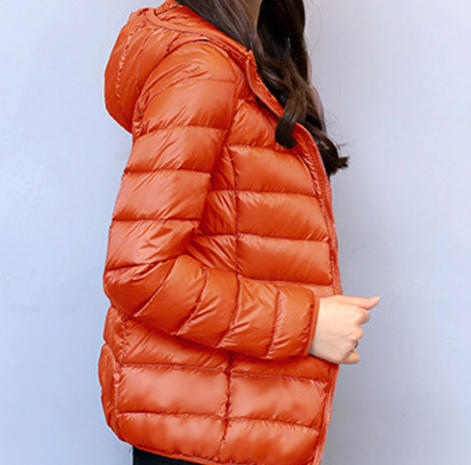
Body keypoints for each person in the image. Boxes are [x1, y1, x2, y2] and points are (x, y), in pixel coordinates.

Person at [97, 1, 381, 465]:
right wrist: (306, 324)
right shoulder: (200, 68)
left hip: (231, 420)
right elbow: (140, 271)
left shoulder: (244, 54)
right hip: (204, 432)